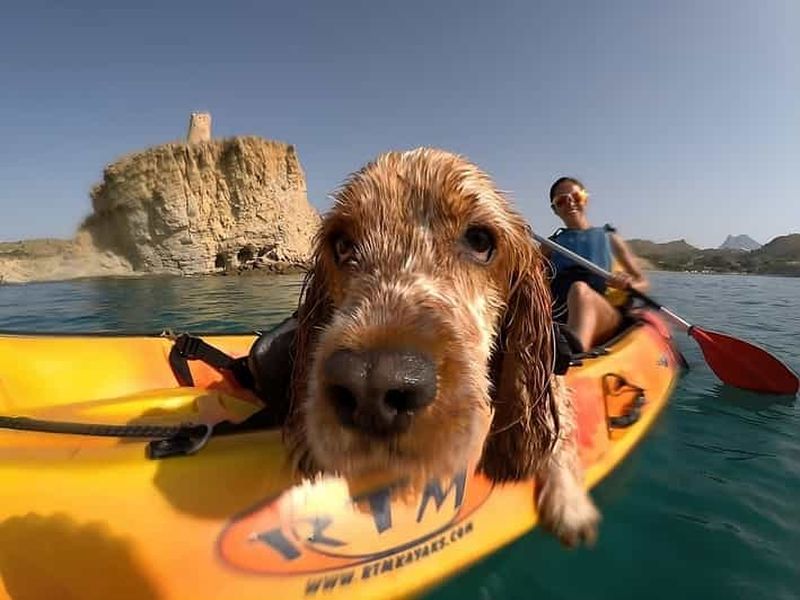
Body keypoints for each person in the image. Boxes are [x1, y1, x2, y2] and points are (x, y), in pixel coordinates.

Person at [543, 176, 649, 352]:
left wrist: (628, 284)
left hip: (603, 317)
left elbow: (643, 283)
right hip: (560, 315)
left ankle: (573, 351)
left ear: (585, 199)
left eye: (575, 197)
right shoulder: (549, 246)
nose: (570, 203)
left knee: (579, 290)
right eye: (562, 200)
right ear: (555, 209)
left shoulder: (610, 238)